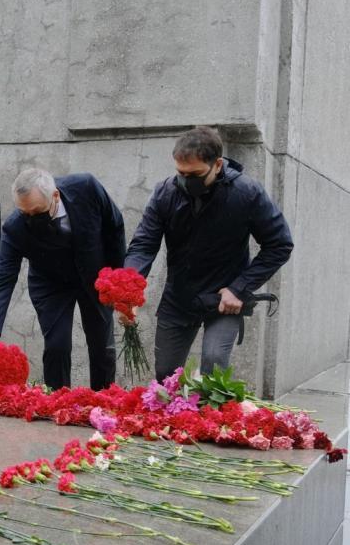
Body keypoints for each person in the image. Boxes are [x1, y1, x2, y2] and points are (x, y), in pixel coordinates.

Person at [125, 126, 294, 380]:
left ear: (217, 164)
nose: (186, 180)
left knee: (214, 367)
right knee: (165, 375)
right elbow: (144, 244)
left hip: (224, 298)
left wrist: (239, 288)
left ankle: (213, 417)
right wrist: (129, 288)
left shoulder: (247, 193)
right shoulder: (164, 193)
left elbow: (280, 244)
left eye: (195, 174)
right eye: (180, 173)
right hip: (179, 297)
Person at [0, 168, 126, 389]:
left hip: (95, 275)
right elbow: (1, 279)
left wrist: (118, 281)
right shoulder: (15, 227)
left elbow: (114, 227)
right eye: (25, 213)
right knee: (56, 346)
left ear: (55, 196)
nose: (31, 218)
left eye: (37, 212)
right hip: (51, 283)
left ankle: (103, 400)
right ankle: (58, 404)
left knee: (101, 346)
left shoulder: (86, 188)